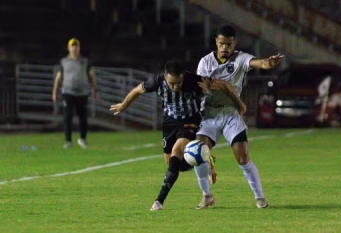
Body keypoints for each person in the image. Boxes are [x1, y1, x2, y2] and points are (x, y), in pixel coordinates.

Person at [109, 61, 246, 211]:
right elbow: (137, 90)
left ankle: (159, 201)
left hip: (190, 121)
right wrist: (124, 105)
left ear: (183, 77)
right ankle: (204, 160)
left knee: (177, 152)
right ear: (165, 77)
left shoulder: (195, 80)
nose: (175, 87)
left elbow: (224, 85)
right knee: (173, 165)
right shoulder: (156, 81)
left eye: (179, 82)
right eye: (171, 83)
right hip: (169, 122)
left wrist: (233, 101)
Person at [193, 25, 284, 209]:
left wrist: (268, 63)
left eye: (228, 43)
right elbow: (203, 85)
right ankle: (207, 196)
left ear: (234, 42)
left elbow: (259, 63)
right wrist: (218, 86)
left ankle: (260, 198)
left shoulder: (241, 58)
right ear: (216, 43)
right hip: (209, 114)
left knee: (243, 158)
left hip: (230, 114)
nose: (225, 47)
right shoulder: (205, 62)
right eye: (221, 43)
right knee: (197, 154)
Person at [52, 38, 99, 149]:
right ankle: (68, 141)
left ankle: (82, 139)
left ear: (79, 48)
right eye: (72, 46)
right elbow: (58, 78)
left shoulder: (85, 62)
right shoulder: (64, 62)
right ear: (69, 48)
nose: (74, 48)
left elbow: (92, 77)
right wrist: (54, 91)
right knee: (67, 116)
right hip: (68, 92)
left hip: (82, 93)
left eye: (76, 46)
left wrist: (95, 90)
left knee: (83, 117)